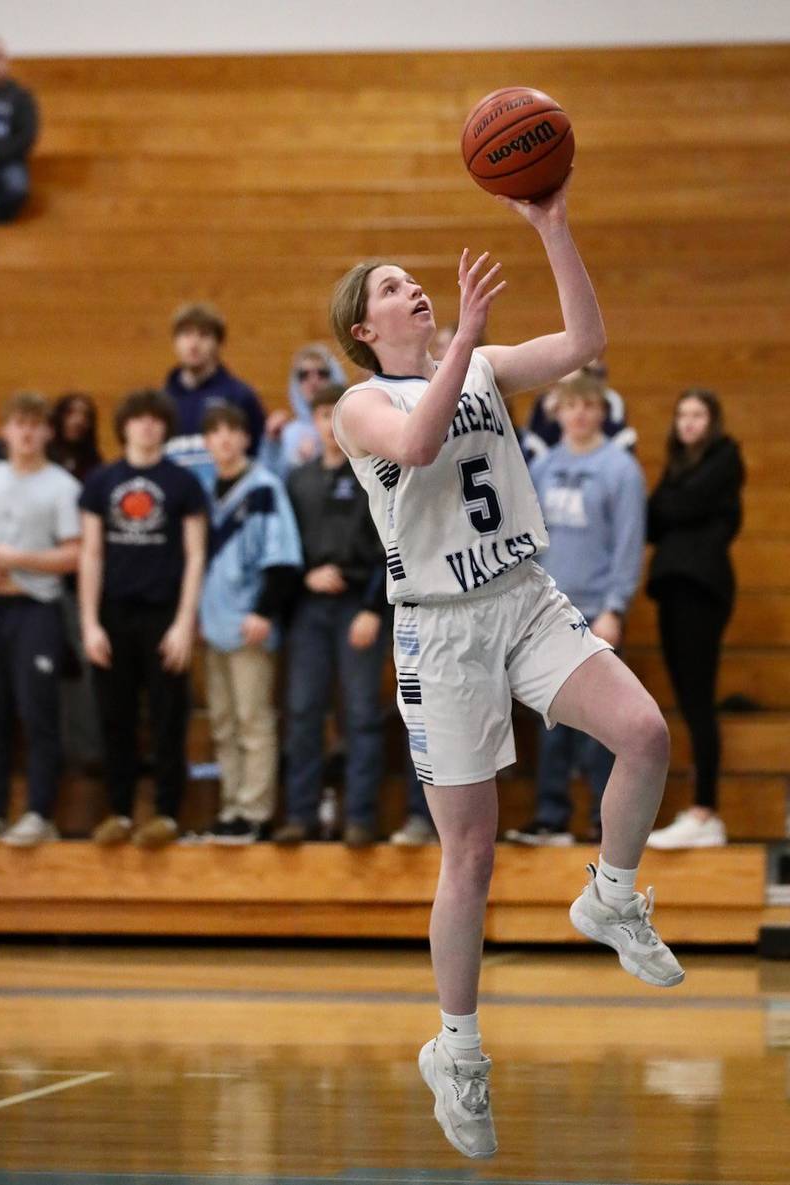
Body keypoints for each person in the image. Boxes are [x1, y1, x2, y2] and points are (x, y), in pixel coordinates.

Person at [329, 177, 682, 1160]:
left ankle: (610, 894)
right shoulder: (357, 405)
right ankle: (457, 1048)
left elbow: (582, 345)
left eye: (417, 285)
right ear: (364, 324)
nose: (418, 295)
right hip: (439, 633)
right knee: (471, 854)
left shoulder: (478, 360)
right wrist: (466, 342)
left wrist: (552, 226)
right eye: (396, 289)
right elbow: (417, 438)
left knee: (644, 734)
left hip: (523, 598)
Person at [505, 371, 646, 846]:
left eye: (589, 405)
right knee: (552, 720)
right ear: (557, 411)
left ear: (602, 412)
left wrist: (616, 608)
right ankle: (551, 816)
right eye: (572, 405)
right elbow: (530, 542)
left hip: (597, 613)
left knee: (604, 725)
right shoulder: (543, 470)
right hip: (549, 613)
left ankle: (606, 822)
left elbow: (628, 545)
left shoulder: (620, 470)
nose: (581, 413)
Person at [79, 389, 207, 848]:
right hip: (113, 614)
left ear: (165, 427)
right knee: (116, 719)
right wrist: (90, 623)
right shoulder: (101, 482)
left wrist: (183, 622)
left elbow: (195, 556)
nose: (147, 426)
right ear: (125, 426)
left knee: (168, 717)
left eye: (155, 420)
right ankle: (119, 812)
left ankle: (167, 815)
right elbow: (91, 554)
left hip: (163, 614)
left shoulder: (183, 484)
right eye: (139, 419)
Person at [273, 382, 389, 849]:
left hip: (358, 607)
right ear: (313, 421)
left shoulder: (374, 475)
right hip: (307, 609)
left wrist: (371, 608)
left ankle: (360, 817)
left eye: (335, 415)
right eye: (321, 415)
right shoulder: (296, 479)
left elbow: (390, 549)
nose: (328, 424)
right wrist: (303, 578)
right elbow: (280, 547)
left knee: (361, 712)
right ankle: (300, 815)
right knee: (302, 712)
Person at [645, 389, 744, 850]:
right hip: (673, 589)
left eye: (697, 414)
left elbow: (676, 508)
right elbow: (654, 518)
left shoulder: (726, 457)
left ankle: (706, 809)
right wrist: (673, 505)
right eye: (681, 414)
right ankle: (700, 808)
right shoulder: (678, 467)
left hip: (702, 590)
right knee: (688, 701)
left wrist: (674, 506)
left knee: (699, 701)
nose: (687, 423)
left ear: (712, 419)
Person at [199, 404, 302, 843]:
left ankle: (255, 811)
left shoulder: (264, 488)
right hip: (212, 625)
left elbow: (283, 560)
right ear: (205, 442)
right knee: (222, 722)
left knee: (252, 720)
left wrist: (263, 611)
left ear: (246, 438)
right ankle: (231, 807)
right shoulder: (203, 490)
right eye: (215, 432)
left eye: (232, 431)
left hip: (248, 623)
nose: (223, 439)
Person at [0, 392, 80, 846]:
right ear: (4, 430)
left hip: (35, 608)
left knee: (36, 711)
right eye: (17, 423)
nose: (25, 433)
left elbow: (74, 555)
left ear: (47, 431)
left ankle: (38, 813)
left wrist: (16, 558)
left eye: (33, 423)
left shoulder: (61, 486)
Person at [48, 392, 104, 772]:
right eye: (70, 412)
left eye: (85, 414)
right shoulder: (40, 464)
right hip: (24, 583)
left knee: (79, 672)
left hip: (73, 583)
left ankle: (84, 753)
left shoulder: (94, 468)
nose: (77, 420)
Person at [163, 302, 266, 483]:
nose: (194, 344)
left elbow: (257, 455)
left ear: (218, 343)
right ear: (175, 342)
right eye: (186, 334)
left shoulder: (240, 395)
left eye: (203, 335)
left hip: (226, 499)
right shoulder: (162, 400)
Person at [520, 357, 636, 463]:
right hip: (554, 460)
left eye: (588, 404)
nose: (579, 411)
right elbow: (534, 440)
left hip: (599, 457)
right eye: (571, 405)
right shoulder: (546, 401)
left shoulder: (610, 400)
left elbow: (620, 436)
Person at [260, 342, 347, 481]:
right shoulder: (288, 433)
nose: (313, 381)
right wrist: (273, 445)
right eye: (304, 375)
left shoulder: (352, 424)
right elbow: (271, 482)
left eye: (322, 373)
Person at [0, 36, 38, 224]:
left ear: (5, 61)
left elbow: (26, 136)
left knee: (16, 186)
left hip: (7, 162)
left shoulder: (20, 97)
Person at [48, 392, 103, 483]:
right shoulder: (43, 456)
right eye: (70, 413)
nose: (78, 421)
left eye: (86, 416)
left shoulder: (94, 463)